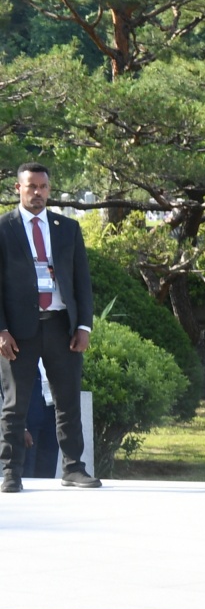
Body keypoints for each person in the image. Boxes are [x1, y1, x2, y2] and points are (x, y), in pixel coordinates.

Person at [0, 163, 98, 491]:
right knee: (15, 405)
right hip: (18, 331)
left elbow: (81, 281)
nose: (38, 193)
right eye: (31, 187)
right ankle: (11, 473)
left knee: (68, 399)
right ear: (18, 189)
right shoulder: (4, 229)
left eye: (43, 187)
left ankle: (73, 468)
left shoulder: (67, 228)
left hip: (61, 326)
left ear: (49, 189)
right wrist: (0, 331)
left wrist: (83, 326)